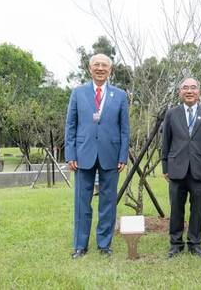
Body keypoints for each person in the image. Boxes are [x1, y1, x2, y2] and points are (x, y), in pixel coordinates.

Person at [65, 53, 130, 259]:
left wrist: (123, 156)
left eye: (105, 65)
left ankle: (104, 243)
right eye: (96, 65)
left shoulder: (119, 95)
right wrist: (70, 154)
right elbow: (71, 125)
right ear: (89, 68)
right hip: (83, 155)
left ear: (110, 70)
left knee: (108, 202)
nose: (100, 68)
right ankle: (80, 245)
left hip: (111, 155)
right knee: (82, 202)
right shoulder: (78, 93)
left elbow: (124, 129)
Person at [162, 77, 201, 258]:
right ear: (179, 92)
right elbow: (166, 142)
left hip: (200, 168)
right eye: (185, 88)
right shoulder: (171, 113)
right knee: (176, 208)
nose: (189, 91)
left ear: (199, 92)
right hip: (177, 168)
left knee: (197, 209)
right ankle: (176, 244)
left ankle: (195, 243)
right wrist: (165, 167)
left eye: (193, 88)